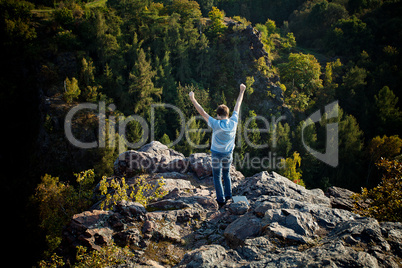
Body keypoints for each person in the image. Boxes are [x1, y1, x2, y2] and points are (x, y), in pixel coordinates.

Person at [189, 84, 246, 208]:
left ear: (219, 115)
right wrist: (241, 91)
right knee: (226, 174)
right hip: (228, 154)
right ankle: (229, 197)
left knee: (217, 176)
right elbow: (238, 105)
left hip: (216, 154)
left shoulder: (216, 123)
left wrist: (193, 99)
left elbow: (202, 112)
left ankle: (221, 201)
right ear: (227, 114)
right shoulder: (233, 122)